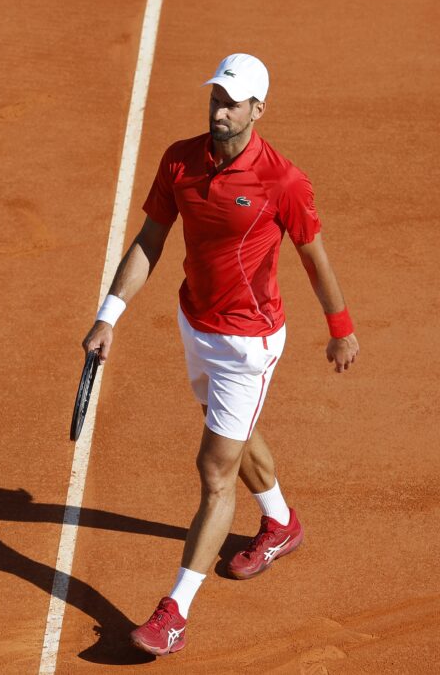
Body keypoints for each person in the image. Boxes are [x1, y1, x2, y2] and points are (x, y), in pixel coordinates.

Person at [81, 53, 359, 657]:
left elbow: (316, 257)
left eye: (233, 102)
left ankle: (173, 613)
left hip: (248, 344)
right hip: (195, 324)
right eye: (215, 98)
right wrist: (109, 317)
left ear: (258, 109)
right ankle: (282, 523)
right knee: (234, 432)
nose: (220, 110)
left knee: (214, 469)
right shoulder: (180, 160)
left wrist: (341, 329)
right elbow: (150, 239)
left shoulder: (283, 181)